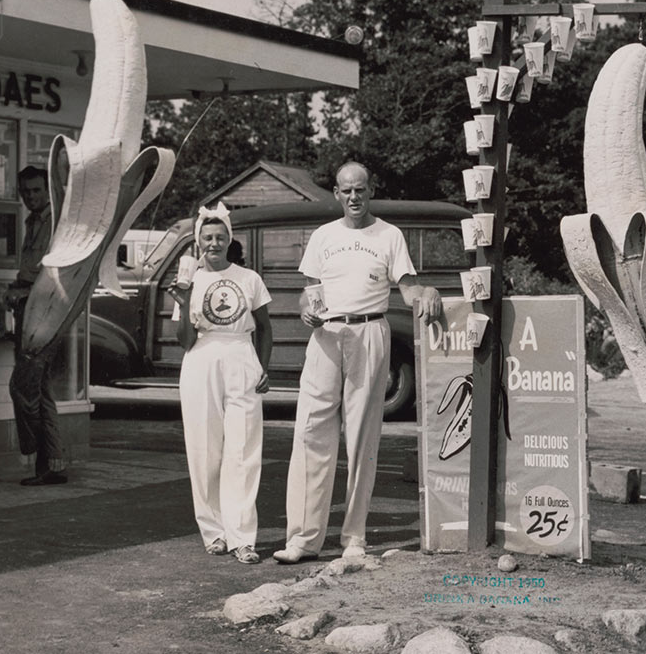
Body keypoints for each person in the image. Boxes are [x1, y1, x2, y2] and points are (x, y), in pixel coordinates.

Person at [273, 162, 442, 564]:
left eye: (361, 190)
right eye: (347, 190)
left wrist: (429, 290)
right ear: (336, 193)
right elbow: (308, 293)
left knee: (363, 438)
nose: (354, 197)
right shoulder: (322, 236)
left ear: (370, 192)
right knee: (312, 432)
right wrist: (305, 312)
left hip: (370, 332)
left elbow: (407, 288)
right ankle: (303, 539)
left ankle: (354, 537)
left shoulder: (389, 235)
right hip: (327, 336)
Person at [169, 202, 272, 564]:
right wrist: (182, 301)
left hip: (242, 356)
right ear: (198, 242)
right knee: (204, 449)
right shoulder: (190, 281)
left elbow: (265, 327)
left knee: (243, 450)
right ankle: (213, 531)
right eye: (206, 238)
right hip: (201, 361)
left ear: (230, 239)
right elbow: (185, 341)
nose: (213, 243)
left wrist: (264, 367)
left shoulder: (249, 278)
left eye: (219, 237)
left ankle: (243, 537)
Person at [2, 165, 67, 486]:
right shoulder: (33, 221)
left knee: (24, 387)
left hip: (42, 309)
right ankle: (51, 464)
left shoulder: (54, 222)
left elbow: (50, 273)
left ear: (47, 190)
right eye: (26, 192)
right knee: (39, 390)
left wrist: (24, 291)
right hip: (29, 306)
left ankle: (39, 455)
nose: (31, 196)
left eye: (36, 190)